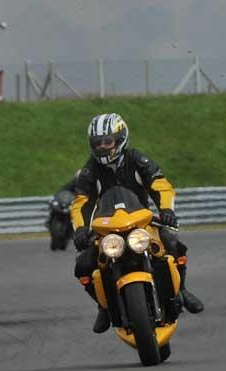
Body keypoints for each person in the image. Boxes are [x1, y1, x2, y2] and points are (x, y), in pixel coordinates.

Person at [70, 113, 204, 333]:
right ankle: (103, 307)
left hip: (141, 223)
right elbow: (81, 203)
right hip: (107, 229)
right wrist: (81, 229)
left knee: (171, 242)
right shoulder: (90, 170)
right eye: (98, 143)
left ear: (120, 138)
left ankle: (183, 291)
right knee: (84, 264)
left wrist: (167, 210)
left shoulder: (137, 159)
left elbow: (160, 184)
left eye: (107, 141)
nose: (103, 147)